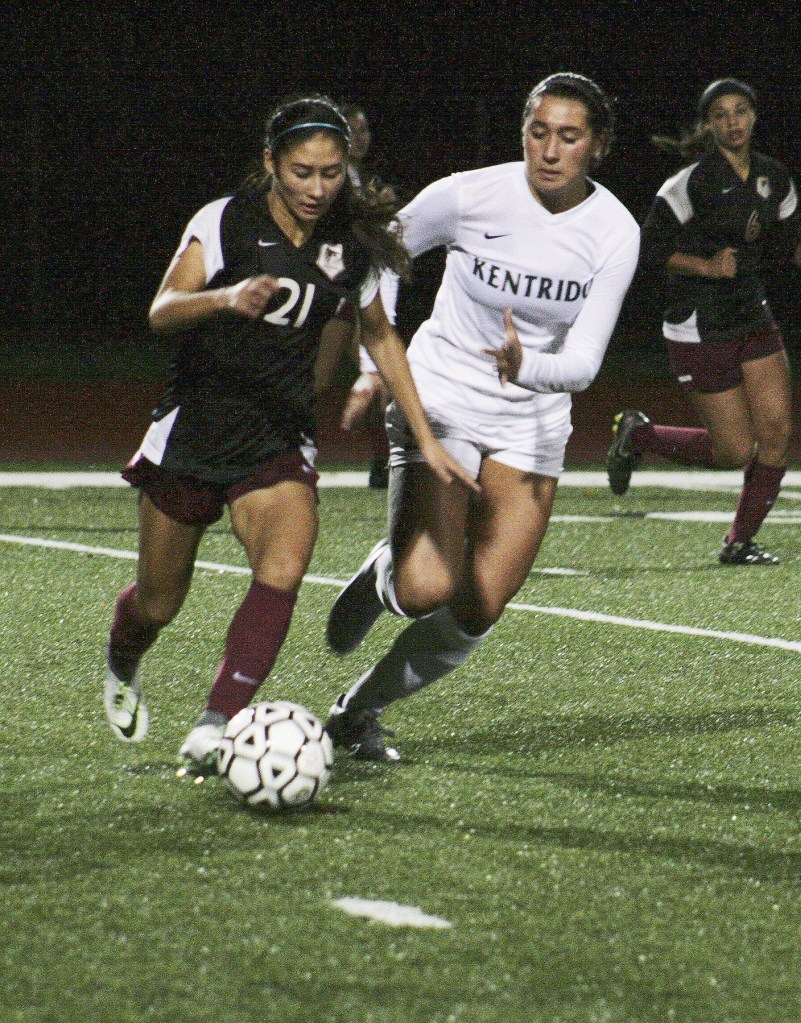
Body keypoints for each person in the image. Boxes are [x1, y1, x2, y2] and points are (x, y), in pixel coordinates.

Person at [102, 94, 476, 772]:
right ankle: (123, 654)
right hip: (196, 427)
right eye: (302, 171)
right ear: (271, 162)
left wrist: (424, 437)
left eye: (330, 173)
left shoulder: (352, 243)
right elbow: (162, 309)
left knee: (282, 568)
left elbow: (381, 335)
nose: (316, 187)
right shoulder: (225, 221)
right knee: (158, 601)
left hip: (277, 434)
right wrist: (223, 296)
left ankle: (215, 726)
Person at [323, 73, 640, 761]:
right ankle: (387, 571)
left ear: (597, 145)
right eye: (537, 130)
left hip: (533, 420)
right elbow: (378, 252)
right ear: (521, 129)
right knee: (424, 587)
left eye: (569, 136)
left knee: (476, 608)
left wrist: (527, 367)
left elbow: (583, 361)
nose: (549, 150)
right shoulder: (468, 193)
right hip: (441, 396)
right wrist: (376, 360)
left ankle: (356, 711)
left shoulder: (614, 230)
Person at [605, 77, 801, 565]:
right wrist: (707, 266)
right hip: (698, 323)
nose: (733, 122)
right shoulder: (689, 182)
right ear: (708, 125)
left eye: (740, 111)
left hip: (751, 315)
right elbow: (646, 249)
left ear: (754, 117)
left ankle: (739, 541)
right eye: (721, 114)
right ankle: (639, 434)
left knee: (776, 433)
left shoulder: (774, 178)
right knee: (734, 451)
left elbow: (790, 252)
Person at [314, 101, 398, 490]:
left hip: (353, 289)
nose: (361, 139)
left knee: (379, 371)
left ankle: (385, 460)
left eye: (365, 131)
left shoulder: (361, 176)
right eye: (353, 131)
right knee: (320, 375)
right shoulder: (328, 178)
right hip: (329, 289)